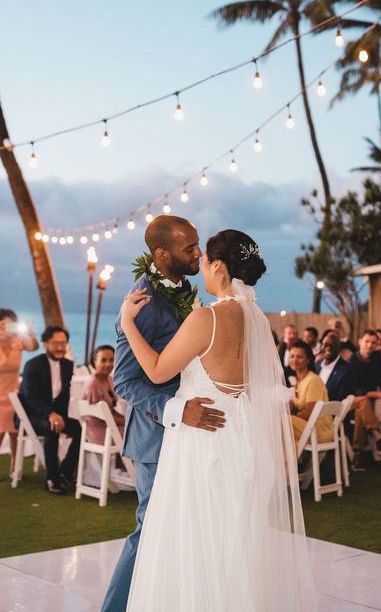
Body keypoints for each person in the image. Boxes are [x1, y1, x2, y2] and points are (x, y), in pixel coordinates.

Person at [118, 229, 316, 611]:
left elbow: (158, 372)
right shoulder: (256, 317)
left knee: (195, 540)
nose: (201, 266)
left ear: (220, 266)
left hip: (203, 442)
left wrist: (128, 323)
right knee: (232, 540)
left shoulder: (205, 319)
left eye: (205, 260)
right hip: (241, 438)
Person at [102, 216, 224, 612]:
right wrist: (175, 410)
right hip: (155, 438)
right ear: (161, 254)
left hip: (188, 433)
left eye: (197, 245)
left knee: (182, 528)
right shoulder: (140, 302)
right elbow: (124, 381)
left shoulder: (184, 287)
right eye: (189, 248)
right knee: (149, 529)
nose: (198, 254)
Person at [0, 308, 38, 482]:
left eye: (11, 322)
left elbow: (34, 347)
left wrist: (31, 333)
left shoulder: (18, 340)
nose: (8, 326)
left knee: (14, 431)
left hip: (13, 392)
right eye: (4, 323)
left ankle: (14, 467)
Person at [18, 326, 81, 493]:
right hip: (30, 416)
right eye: (56, 343)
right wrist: (51, 415)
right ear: (45, 344)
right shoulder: (32, 365)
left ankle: (65, 472)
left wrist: (63, 419)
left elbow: (63, 396)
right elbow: (31, 397)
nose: (61, 347)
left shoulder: (68, 365)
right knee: (51, 427)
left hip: (54, 415)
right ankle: (51, 479)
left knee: (80, 428)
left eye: (64, 343)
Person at [348, 330, 381, 467]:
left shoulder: (377, 357)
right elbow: (355, 389)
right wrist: (376, 394)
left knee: (363, 409)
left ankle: (358, 454)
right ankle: (379, 438)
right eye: (367, 341)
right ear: (360, 341)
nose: (370, 345)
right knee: (362, 402)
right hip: (351, 399)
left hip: (365, 400)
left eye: (373, 343)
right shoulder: (353, 361)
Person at [286, 340, 333, 444]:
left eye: (299, 357)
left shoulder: (313, 380)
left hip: (318, 429)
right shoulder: (296, 381)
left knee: (281, 422)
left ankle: (287, 459)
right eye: (292, 356)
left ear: (308, 360)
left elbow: (308, 414)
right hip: (305, 427)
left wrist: (290, 416)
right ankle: (290, 459)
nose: (294, 360)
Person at [82, 345, 125, 445]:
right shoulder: (92, 384)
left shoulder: (109, 379)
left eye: (111, 360)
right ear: (94, 361)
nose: (108, 364)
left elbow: (111, 411)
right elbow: (103, 417)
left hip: (110, 426)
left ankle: (122, 461)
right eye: (103, 360)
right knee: (137, 434)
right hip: (100, 431)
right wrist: (126, 422)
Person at [318, 331, 353, 401]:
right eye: (325, 345)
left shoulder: (346, 370)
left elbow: (341, 399)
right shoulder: (316, 365)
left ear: (338, 347)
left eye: (332, 345)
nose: (328, 348)